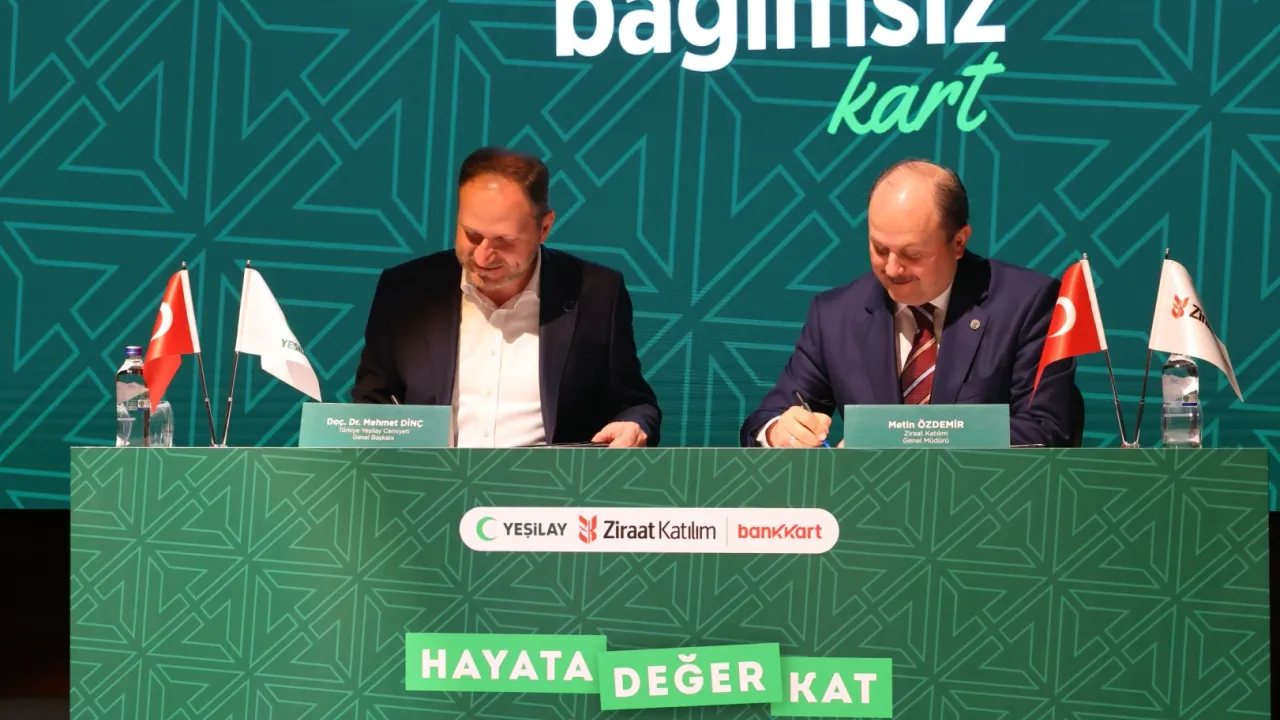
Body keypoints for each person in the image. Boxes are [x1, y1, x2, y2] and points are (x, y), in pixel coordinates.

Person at [740, 158, 1082, 449]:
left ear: (959, 242)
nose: (892, 269)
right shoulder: (835, 316)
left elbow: (1046, 430)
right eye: (879, 249)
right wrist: (779, 432)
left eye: (912, 254)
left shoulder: (1028, 304)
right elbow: (763, 421)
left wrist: (896, 441)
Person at [351, 147, 661, 448]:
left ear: (544, 228)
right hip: (433, 480)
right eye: (472, 235)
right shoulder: (405, 291)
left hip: (547, 482)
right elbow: (372, 403)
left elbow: (634, 405)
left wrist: (634, 425)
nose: (483, 256)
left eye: (504, 240)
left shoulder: (596, 294)